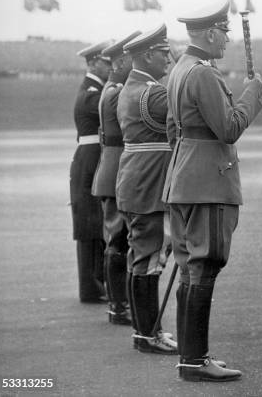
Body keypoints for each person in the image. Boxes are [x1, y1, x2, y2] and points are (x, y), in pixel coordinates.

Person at [163, 0, 262, 381]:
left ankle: (192, 357)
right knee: (204, 267)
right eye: (224, 31)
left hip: (184, 180)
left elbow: (175, 131)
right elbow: (229, 128)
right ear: (209, 32)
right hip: (207, 183)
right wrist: (253, 94)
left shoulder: (180, 68)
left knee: (191, 269)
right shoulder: (203, 74)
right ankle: (195, 361)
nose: (227, 38)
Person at [116, 24, 177, 354]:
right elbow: (187, 105)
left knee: (139, 259)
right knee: (149, 260)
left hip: (135, 183)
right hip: (148, 186)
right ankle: (147, 335)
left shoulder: (132, 87)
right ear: (149, 55)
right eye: (165, 54)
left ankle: (145, 332)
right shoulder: (153, 93)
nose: (169, 59)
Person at [92, 31, 141, 325]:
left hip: (111, 169)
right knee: (118, 241)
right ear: (120, 61)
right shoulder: (116, 93)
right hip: (115, 171)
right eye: (130, 60)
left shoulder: (111, 89)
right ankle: (119, 306)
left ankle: (119, 303)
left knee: (118, 240)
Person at [71, 41, 112, 303]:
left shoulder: (92, 89)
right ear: (95, 62)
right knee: (89, 226)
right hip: (90, 161)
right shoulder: (91, 93)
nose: (110, 67)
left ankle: (95, 284)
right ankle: (91, 287)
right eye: (107, 62)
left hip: (90, 160)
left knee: (95, 224)